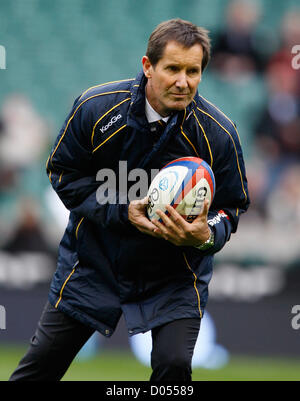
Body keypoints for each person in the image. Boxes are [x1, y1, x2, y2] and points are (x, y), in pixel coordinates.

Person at [9, 18, 249, 381]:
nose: (183, 82)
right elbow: (63, 175)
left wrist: (205, 235)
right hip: (93, 264)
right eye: (172, 69)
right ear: (147, 66)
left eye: (193, 71)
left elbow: (231, 207)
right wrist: (122, 212)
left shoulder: (218, 134)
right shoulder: (96, 108)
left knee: (173, 369)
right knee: (38, 369)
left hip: (175, 277)